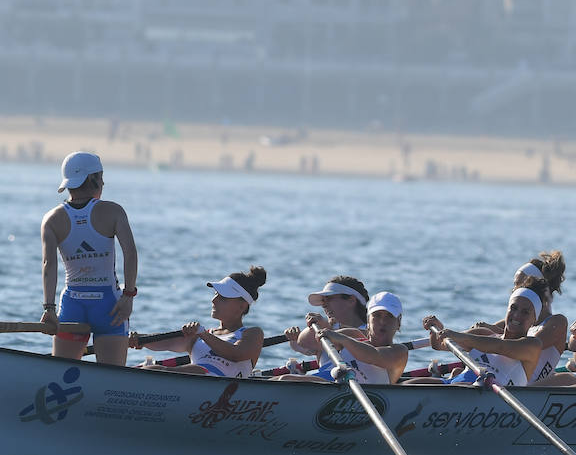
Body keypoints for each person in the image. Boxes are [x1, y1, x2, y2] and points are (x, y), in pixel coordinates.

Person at [39, 152, 138, 364]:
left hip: (72, 305)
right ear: (92, 179)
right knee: (112, 381)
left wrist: (49, 309)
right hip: (110, 306)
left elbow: (48, 265)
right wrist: (128, 296)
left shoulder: (51, 219)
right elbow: (130, 253)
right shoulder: (113, 211)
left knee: (61, 375)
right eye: (101, 177)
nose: (103, 182)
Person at [413, 278, 552, 387]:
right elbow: (438, 345)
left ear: (534, 319)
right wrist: (437, 329)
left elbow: (500, 346)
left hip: (486, 397)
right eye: (513, 308)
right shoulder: (482, 334)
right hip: (455, 386)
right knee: (408, 385)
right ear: (507, 310)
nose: (516, 315)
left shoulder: (532, 346)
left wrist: (457, 335)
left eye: (525, 312)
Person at [132, 267, 267, 377]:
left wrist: (203, 334)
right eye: (215, 294)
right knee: (152, 369)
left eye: (223, 298)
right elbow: (167, 342)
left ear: (242, 306)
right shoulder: (200, 335)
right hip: (193, 381)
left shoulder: (252, 334)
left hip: (223, 390)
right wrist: (140, 339)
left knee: (190, 371)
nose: (213, 300)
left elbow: (236, 354)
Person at [471, 252, 570, 383]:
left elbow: (521, 347)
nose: (514, 291)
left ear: (537, 288)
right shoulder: (514, 321)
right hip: (500, 378)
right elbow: (500, 340)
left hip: (527, 389)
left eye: (519, 285)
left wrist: (488, 332)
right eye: (514, 285)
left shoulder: (557, 322)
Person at [282, 292, 409, 384]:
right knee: (281, 380)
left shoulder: (399, 352)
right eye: (377, 316)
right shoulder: (353, 335)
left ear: (398, 322)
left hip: (345, 395)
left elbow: (372, 356)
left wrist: (341, 339)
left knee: (285, 380)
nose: (382, 322)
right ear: (368, 321)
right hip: (327, 384)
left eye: (389, 317)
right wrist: (321, 324)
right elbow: (306, 342)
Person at [284, 276, 371, 355]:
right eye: (323, 301)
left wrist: (330, 328)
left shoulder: (375, 331)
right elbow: (304, 343)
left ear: (351, 300)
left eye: (329, 299)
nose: (323, 305)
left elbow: (369, 338)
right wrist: (294, 339)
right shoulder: (324, 329)